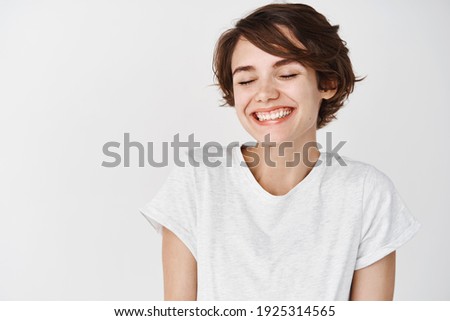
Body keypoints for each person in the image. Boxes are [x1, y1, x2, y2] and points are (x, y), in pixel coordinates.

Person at [139, 3, 421, 301]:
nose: (264, 93)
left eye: (286, 74)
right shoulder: (197, 183)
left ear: (327, 82)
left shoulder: (366, 192)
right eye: (246, 80)